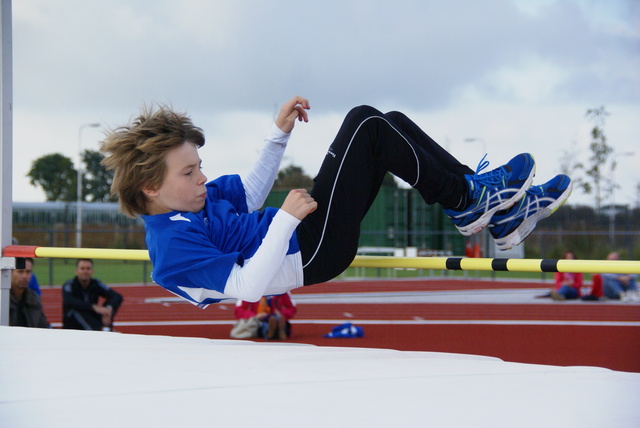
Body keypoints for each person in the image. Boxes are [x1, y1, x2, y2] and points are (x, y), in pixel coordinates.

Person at [100, 96, 572, 307]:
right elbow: (246, 288)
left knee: (389, 123)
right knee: (365, 123)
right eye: (189, 172)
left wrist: (277, 133)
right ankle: (474, 202)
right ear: (149, 188)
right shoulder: (171, 251)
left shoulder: (197, 201)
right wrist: (284, 222)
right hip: (307, 249)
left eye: (199, 165)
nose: (202, 177)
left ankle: (498, 211)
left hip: (304, 230)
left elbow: (246, 192)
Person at [62, 259, 124, 331]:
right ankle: (100, 331)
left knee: (109, 307)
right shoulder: (69, 284)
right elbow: (69, 300)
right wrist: (93, 307)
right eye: (82, 268)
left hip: (92, 318)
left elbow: (117, 296)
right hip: (73, 324)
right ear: (76, 271)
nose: (85, 271)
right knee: (77, 310)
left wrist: (108, 308)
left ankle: (105, 328)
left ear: (92, 271)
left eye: (88, 268)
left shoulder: (95, 283)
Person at [9, 257, 50, 328]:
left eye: (28, 272)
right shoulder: (2, 300)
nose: (25, 276)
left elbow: (43, 325)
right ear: (10, 273)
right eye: (20, 271)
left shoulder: (34, 298)